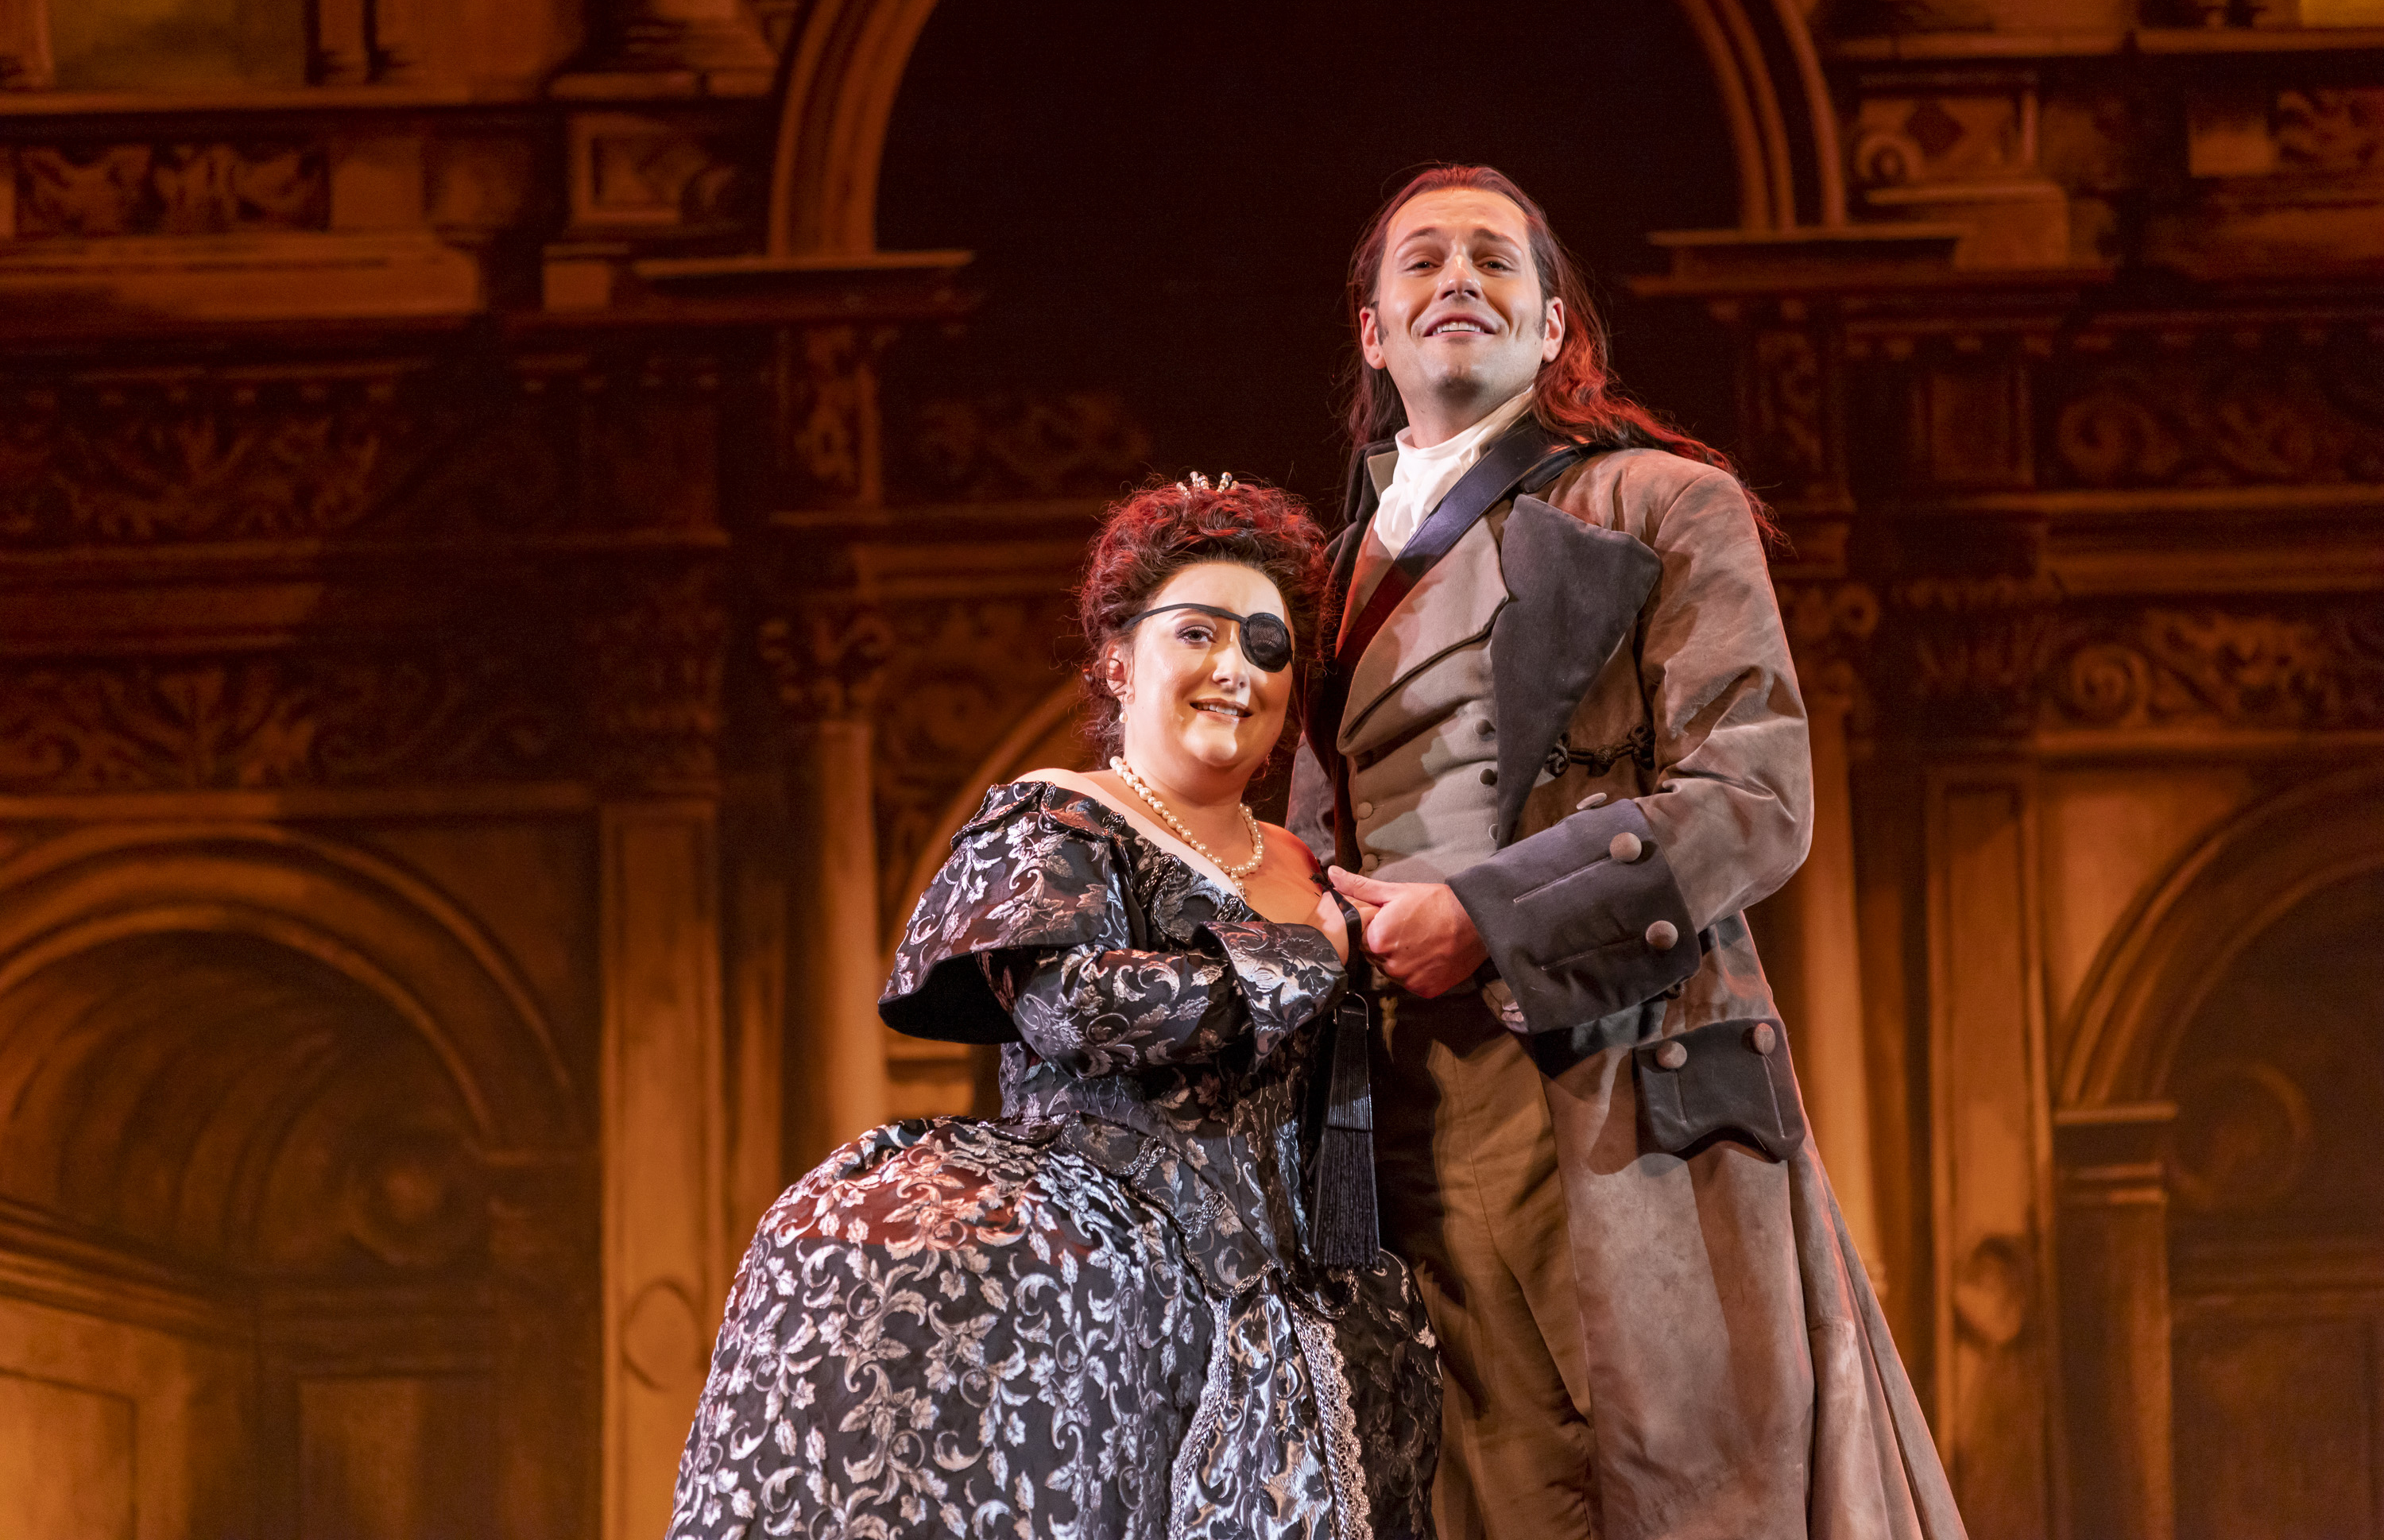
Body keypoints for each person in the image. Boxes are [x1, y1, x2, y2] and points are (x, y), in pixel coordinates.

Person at [1289, 164, 1965, 1540]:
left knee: (1693, 1496)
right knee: (1493, 1494)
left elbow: (1756, 794)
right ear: (1374, 333)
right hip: (1412, 1111)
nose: (1457, 278)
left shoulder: (1662, 503)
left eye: (1496, 259)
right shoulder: (1328, 576)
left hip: (1624, 1088)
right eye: (1420, 261)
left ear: (1551, 330)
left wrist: (1486, 913)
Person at [667, 476, 1440, 1540]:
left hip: (1284, 1335)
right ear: (1120, 658)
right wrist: (1297, 957)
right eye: (1199, 632)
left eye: (1268, 646)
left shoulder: (1318, 863)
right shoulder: (1061, 817)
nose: (1235, 668)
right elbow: (1073, 1008)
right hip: (1092, 1305)